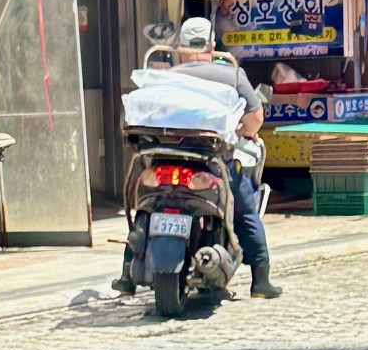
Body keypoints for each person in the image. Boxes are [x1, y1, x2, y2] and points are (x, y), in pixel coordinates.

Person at [116, 15, 282, 300]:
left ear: (180, 45)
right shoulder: (231, 74)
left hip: (166, 158)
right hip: (212, 161)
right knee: (244, 209)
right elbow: (255, 117)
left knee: (148, 205)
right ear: (211, 44)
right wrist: (241, 131)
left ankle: (126, 274)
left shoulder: (169, 75)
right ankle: (261, 281)